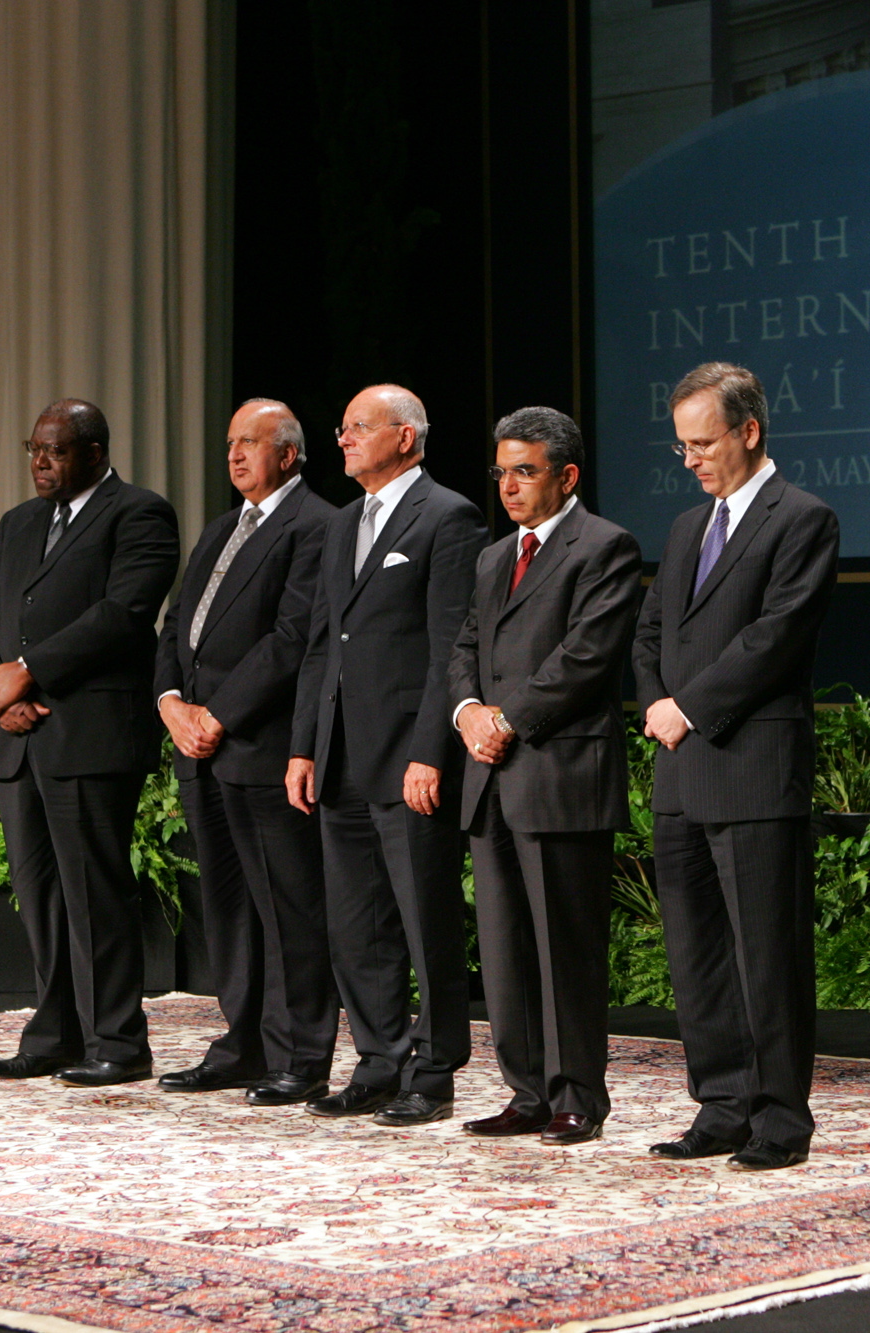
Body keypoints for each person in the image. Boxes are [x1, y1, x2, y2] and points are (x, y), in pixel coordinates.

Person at [633, 361, 839, 1171]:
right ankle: (720, 1105)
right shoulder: (688, 527)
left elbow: (775, 639)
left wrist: (686, 707)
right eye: (681, 445)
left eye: (703, 442)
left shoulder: (803, 519)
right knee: (697, 953)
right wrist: (655, 701)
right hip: (681, 770)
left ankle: (780, 1118)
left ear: (749, 431)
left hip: (752, 767)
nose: (690, 459)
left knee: (767, 955)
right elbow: (650, 631)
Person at [287, 383, 487, 1127]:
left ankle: (433, 1073)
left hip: (409, 759)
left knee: (423, 918)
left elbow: (450, 650)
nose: (342, 438)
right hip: (339, 757)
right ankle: (377, 1061)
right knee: (357, 923)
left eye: (358, 427)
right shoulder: (341, 524)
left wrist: (431, 750)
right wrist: (304, 745)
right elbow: (320, 645)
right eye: (340, 428)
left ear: (406, 437)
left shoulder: (449, 515)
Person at [0, 398, 181, 1086]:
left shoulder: (138, 513)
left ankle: (118, 1041)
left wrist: (28, 673)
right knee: (40, 896)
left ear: (94, 451)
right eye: (33, 448)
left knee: (94, 891)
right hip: (21, 735)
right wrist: (0, 692)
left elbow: (120, 616)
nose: (40, 461)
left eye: (55, 450)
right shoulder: (19, 521)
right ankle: (54, 1032)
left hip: (88, 734)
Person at [448, 406, 644, 1145]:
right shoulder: (494, 557)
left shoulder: (606, 547)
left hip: (558, 774)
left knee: (564, 951)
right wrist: (468, 710)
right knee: (504, 950)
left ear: (567, 475)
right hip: (490, 776)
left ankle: (575, 1097)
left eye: (524, 471)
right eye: (500, 472)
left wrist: (506, 719)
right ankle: (526, 1089)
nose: (509, 486)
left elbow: (586, 658)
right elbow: (464, 645)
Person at [154, 398, 339, 1105]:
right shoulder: (223, 526)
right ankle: (245, 1043)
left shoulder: (314, 524)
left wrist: (218, 716)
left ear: (289, 454)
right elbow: (176, 627)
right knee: (229, 908)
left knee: (287, 905)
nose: (233, 454)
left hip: (260, 746)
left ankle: (301, 1053)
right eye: (230, 441)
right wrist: (172, 703)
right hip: (200, 747)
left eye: (251, 442)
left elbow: (292, 638)